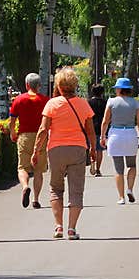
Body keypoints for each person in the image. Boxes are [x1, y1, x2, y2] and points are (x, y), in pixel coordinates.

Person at [31, 67, 97, 240]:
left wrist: (36, 150)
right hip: (77, 149)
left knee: (55, 188)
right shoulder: (83, 104)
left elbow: (43, 129)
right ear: (75, 85)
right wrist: (93, 149)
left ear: (59, 85)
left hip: (56, 150)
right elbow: (90, 131)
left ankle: (58, 226)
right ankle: (72, 229)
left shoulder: (52, 104)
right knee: (76, 190)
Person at [99, 77, 139, 204]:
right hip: (130, 133)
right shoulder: (136, 103)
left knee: (118, 169)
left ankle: (121, 197)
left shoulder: (111, 102)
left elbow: (105, 121)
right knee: (132, 165)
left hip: (115, 134)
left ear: (119, 89)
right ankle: (129, 188)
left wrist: (103, 136)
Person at [9, 72, 49, 209]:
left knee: (22, 167)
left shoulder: (19, 100)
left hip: (24, 136)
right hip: (41, 137)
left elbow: (12, 120)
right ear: (39, 85)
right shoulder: (45, 100)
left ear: (27, 85)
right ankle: (36, 200)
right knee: (38, 170)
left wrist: (13, 133)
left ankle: (25, 186)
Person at [87, 84, 108, 177]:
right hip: (101, 128)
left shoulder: (89, 102)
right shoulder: (105, 102)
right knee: (99, 150)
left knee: (92, 148)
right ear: (102, 92)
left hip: (90, 128)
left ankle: (92, 163)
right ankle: (98, 169)